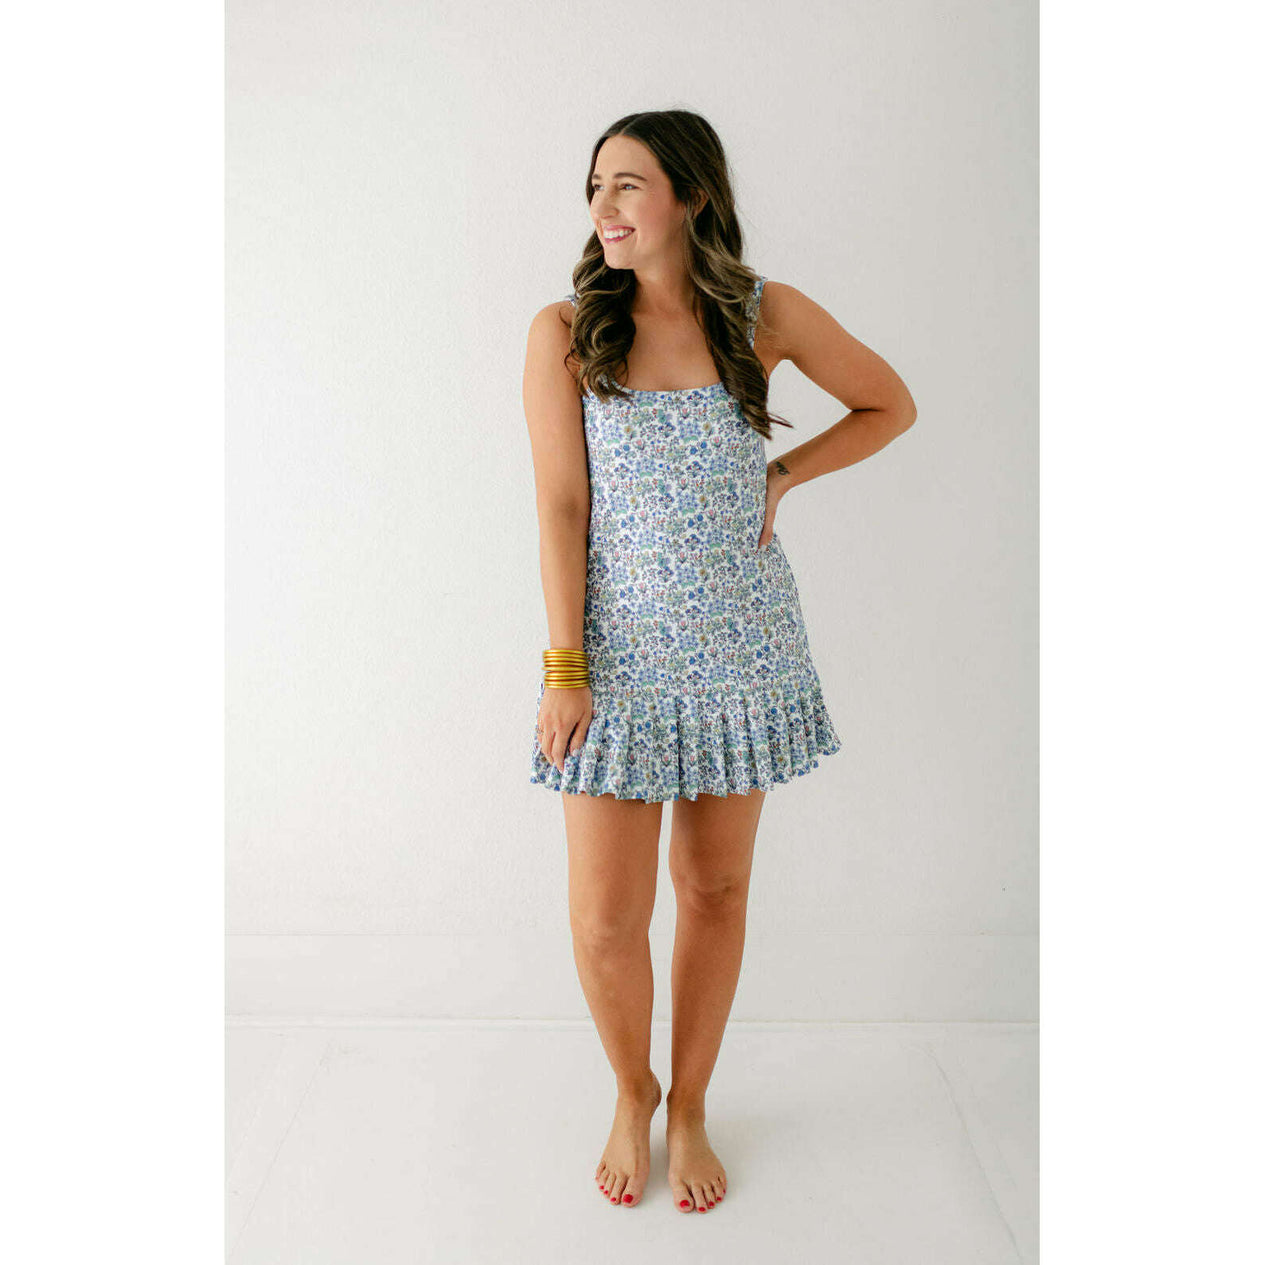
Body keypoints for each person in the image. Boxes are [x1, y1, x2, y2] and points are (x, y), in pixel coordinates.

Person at [521, 110, 917, 1214]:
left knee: (713, 887)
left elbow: (889, 403)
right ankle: (632, 1086)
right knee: (605, 919)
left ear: (690, 197)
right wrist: (565, 668)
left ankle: (689, 1101)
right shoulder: (565, 331)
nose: (603, 207)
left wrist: (782, 473)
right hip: (614, 662)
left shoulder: (763, 313)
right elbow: (559, 507)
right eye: (595, 186)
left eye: (627, 185)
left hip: (742, 650)